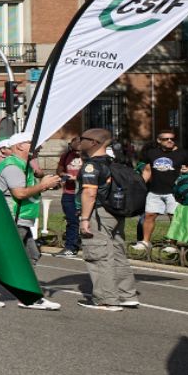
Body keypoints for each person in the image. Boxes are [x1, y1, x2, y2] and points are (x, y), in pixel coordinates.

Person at [0, 132, 62, 311]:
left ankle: (25, 294)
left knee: (31, 255)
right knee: (3, 257)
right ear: (19, 146)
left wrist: (48, 184)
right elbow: (19, 193)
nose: (38, 147)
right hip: (13, 218)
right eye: (32, 144)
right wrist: (43, 185)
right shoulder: (12, 166)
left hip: (23, 218)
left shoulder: (23, 165)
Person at [76, 127, 137, 310]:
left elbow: (89, 192)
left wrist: (84, 219)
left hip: (99, 213)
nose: (80, 142)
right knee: (118, 253)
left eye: (83, 139)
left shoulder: (91, 165)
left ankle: (106, 299)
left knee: (98, 255)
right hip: (115, 212)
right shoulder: (114, 162)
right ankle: (127, 294)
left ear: (94, 142)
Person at [136, 129, 188, 255]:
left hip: (174, 192)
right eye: (166, 139)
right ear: (159, 140)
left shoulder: (184, 154)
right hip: (154, 191)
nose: (170, 141)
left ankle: (171, 244)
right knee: (149, 216)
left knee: (174, 218)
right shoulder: (151, 153)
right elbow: (147, 171)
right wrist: (140, 185)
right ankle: (145, 242)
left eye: (172, 139)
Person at [57, 136, 85, 257]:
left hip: (84, 194)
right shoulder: (66, 156)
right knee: (72, 221)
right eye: (75, 150)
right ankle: (70, 247)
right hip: (69, 193)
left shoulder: (89, 157)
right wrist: (64, 174)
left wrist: (77, 177)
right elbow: (59, 170)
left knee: (89, 221)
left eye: (79, 151)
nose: (77, 153)